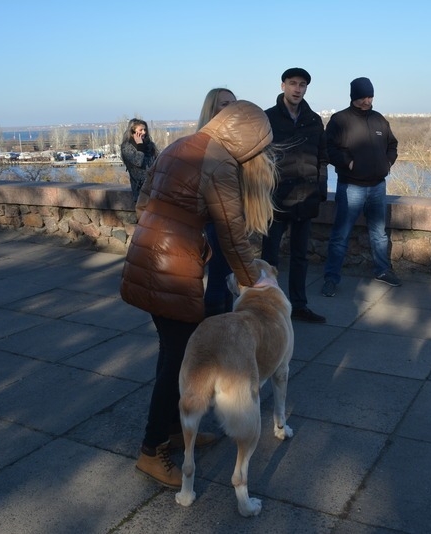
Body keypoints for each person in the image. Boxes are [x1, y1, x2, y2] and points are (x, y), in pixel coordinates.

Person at [120, 100, 277, 488]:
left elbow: (143, 203)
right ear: (248, 138)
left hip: (150, 257)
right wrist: (252, 280)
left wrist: (182, 230)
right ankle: (151, 450)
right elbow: (231, 229)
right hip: (170, 268)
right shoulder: (220, 161)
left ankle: (174, 430)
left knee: (173, 350)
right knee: (176, 360)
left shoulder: (179, 145)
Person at [322, 77, 400, 297]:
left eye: (370, 96)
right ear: (354, 96)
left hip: (377, 186)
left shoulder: (379, 120)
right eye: (363, 96)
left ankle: (383, 271)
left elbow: (392, 145)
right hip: (351, 187)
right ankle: (331, 278)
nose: (367, 100)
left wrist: (387, 163)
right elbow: (328, 148)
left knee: (379, 234)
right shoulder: (340, 120)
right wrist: (348, 163)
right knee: (340, 235)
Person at [261, 67, 328, 323]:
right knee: (270, 257)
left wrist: (320, 189)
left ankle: (299, 306)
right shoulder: (268, 118)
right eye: (293, 83)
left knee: (300, 256)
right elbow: (260, 159)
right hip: (277, 198)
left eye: (302, 85)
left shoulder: (313, 119)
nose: (297, 89)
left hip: (306, 196)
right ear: (283, 86)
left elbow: (322, 157)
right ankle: (267, 308)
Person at [196, 88, 238, 317]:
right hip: (215, 217)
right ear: (212, 109)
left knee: (226, 277)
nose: (231, 107)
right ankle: (214, 328)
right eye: (225, 104)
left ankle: (224, 325)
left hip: (230, 215)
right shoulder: (208, 141)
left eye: (234, 103)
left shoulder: (233, 139)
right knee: (219, 278)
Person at [120, 118, 158, 202]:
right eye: (141, 130)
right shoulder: (127, 147)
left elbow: (157, 161)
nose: (144, 132)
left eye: (145, 130)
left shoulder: (150, 145)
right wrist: (140, 145)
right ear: (132, 132)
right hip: (140, 188)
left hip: (154, 186)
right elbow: (138, 162)